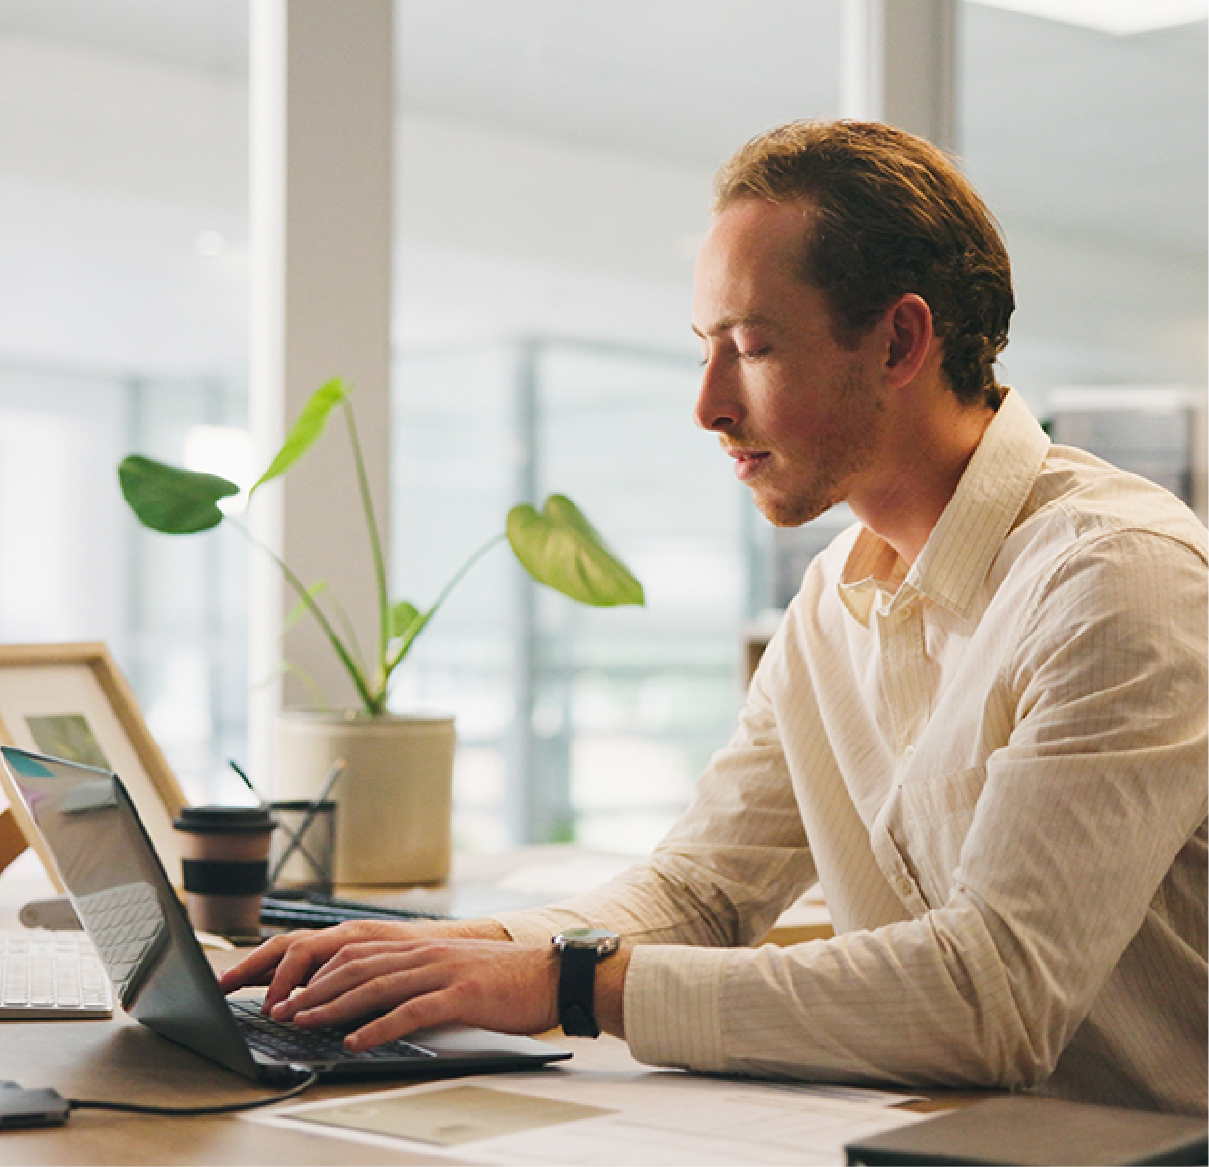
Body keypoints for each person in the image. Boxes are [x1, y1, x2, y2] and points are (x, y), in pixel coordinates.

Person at [222, 120, 1208, 1116]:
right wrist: (462, 952)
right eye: (706, 349)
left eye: (751, 347)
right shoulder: (832, 604)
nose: (706, 405)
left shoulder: (1113, 581)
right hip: (943, 1139)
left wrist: (566, 986)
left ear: (901, 340)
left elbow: (988, 998)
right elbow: (700, 895)